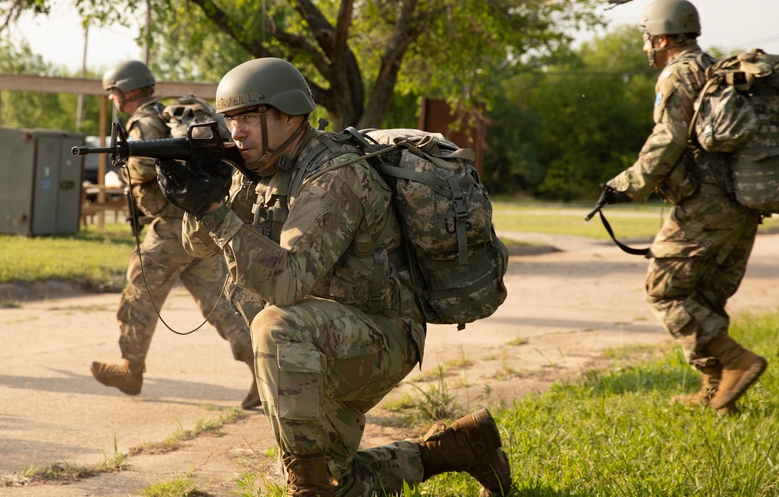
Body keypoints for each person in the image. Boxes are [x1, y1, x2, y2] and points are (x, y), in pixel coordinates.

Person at [157, 58, 511, 497]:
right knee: (339, 483)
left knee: (274, 327)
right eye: (231, 119)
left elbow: (286, 284)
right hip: (326, 337)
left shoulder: (335, 176)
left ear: (289, 116)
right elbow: (200, 247)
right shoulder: (262, 170)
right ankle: (459, 448)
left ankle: (306, 490)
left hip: (381, 334)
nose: (237, 131)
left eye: (250, 116)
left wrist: (214, 210)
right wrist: (201, 196)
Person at [599, 0, 768, 414]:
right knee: (704, 294)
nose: (645, 48)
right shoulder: (713, 69)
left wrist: (626, 184)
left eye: (647, 39)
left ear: (661, 36)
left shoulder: (678, 73)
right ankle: (717, 390)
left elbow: (668, 139)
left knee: (664, 289)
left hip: (705, 204)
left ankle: (736, 362)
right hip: (743, 202)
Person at [89, 59, 261, 410]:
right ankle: (265, 370)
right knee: (222, 305)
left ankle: (130, 368)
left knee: (140, 289)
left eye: (114, 93)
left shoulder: (146, 120)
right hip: (196, 224)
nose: (112, 100)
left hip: (170, 226)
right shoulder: (162, 116)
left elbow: (146, 162)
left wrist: (126, 167)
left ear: (126, 90)